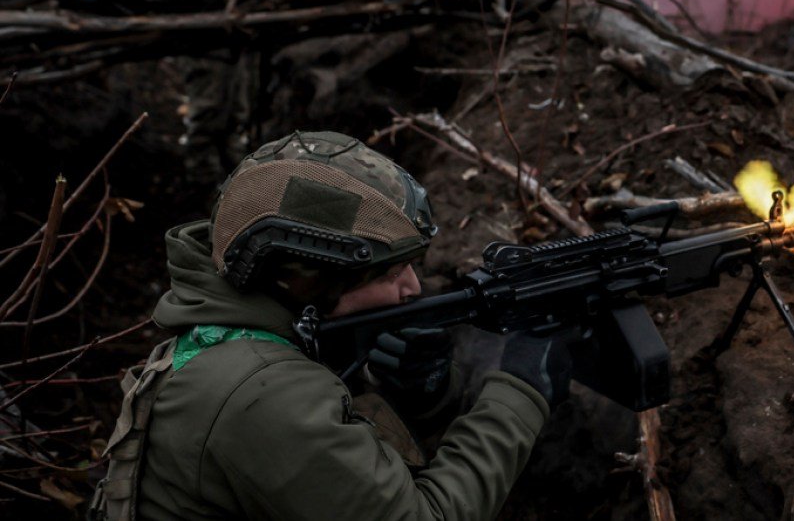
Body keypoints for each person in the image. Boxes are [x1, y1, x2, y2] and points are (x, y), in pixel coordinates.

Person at [89, 131, 572, 521]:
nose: (413, 288)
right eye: (387, 273)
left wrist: (420, 399)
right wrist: (518, 396)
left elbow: (349, 471)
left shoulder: (231, 344)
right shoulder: (261, 392)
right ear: (304, 279)